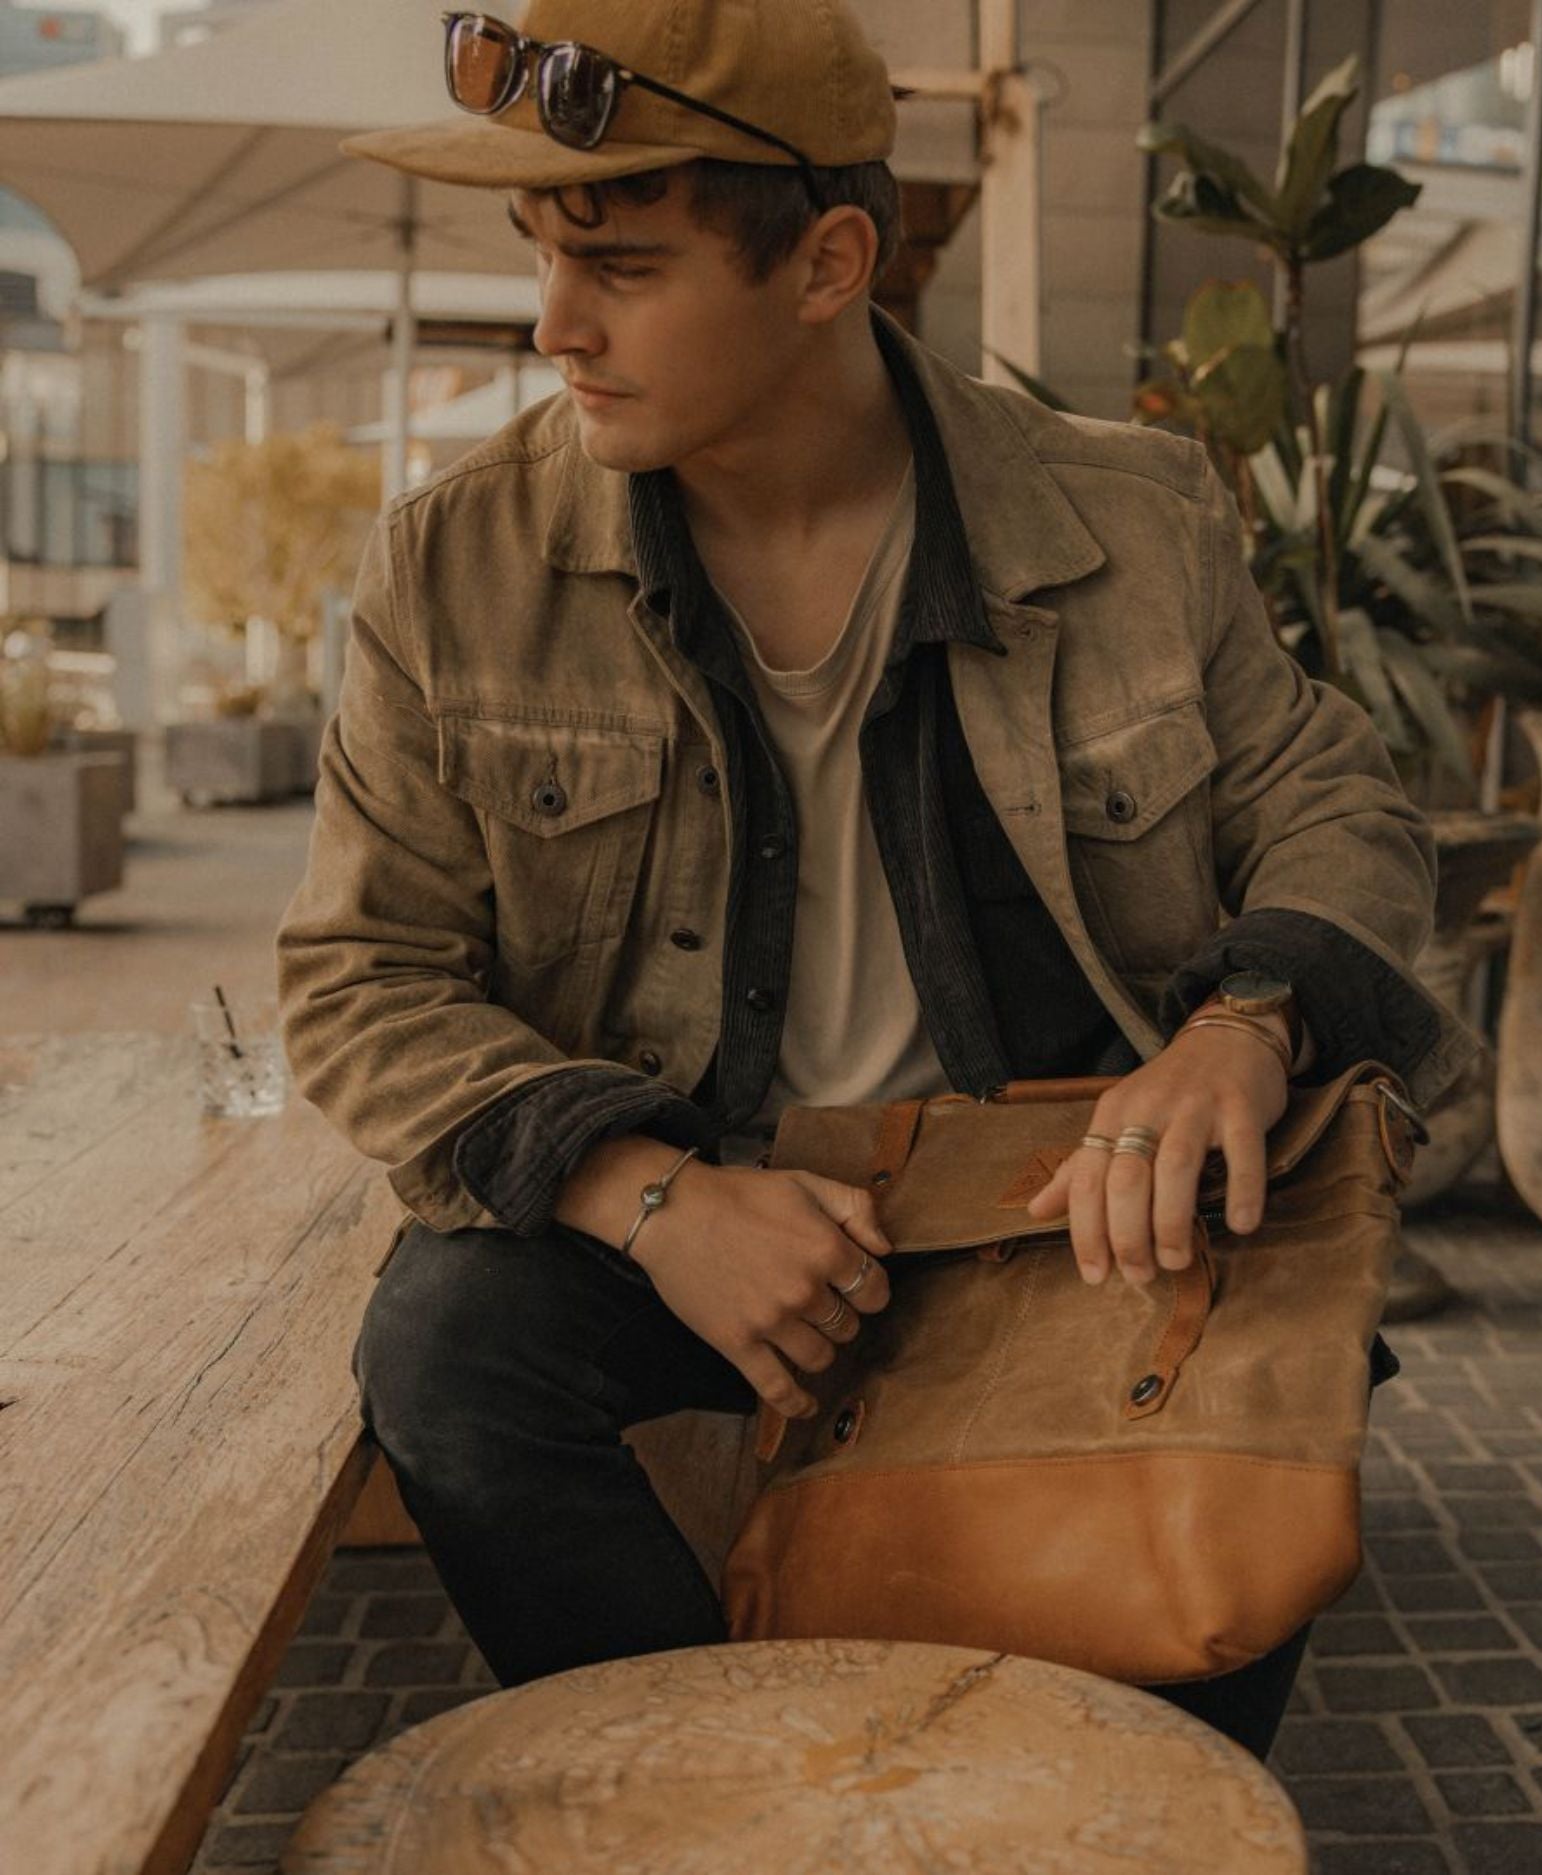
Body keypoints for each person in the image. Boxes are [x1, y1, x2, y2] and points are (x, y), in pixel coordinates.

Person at [275, 0, 1481, 1758]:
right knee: (452, 1346)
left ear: (831, 257)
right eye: (540, 249)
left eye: (619, 262)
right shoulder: (456, 565)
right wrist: (653, 1197)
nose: (554, 325)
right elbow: (359, 975)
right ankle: (712, 1788)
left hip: (1064, 1212)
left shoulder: (1128, 518)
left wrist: (1247, 1026)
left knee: (1269, 1340)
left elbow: (1336, 804)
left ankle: (1111, 1792)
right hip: (696, 1204)